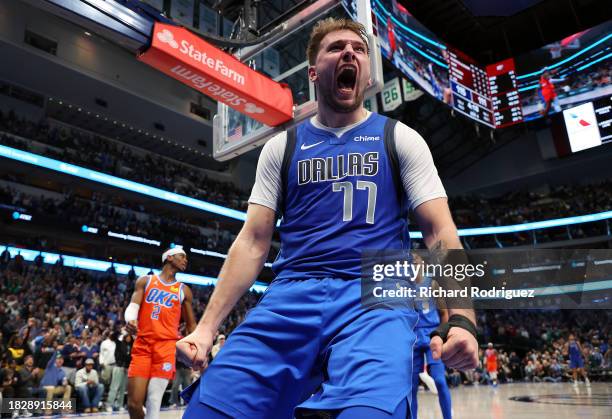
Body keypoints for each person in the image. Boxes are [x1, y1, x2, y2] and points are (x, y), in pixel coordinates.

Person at [176, 17, 478, 419]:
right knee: (208, 412)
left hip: (376, 294)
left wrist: (462, 317)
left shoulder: (400, 137)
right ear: (314, 72)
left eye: (358, 49)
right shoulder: (281, 148)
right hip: (289, 295)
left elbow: (440, 231)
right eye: (336, 47)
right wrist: (206, 327)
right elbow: (252, 241)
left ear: (368, 73)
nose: (350, 52)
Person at [125, 247, 196, 419]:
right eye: (182, 256)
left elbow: (191, 324)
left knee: (153, 400)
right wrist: (130, 319)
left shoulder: (183, 290)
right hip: (143, 345)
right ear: (169, 257)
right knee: (134, 404)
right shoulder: (146, 281)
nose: (185, 260)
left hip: (166, 347)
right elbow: (133, 306)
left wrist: (196, 351)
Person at [411, 274, 451, 419]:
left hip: (432, 334)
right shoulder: (402, 285)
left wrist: (441, 335)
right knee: (412, 387)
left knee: (439, 380)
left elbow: (444, 313)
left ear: (421, 263)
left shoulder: (433, 283)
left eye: (415, 262)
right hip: (413, 337)